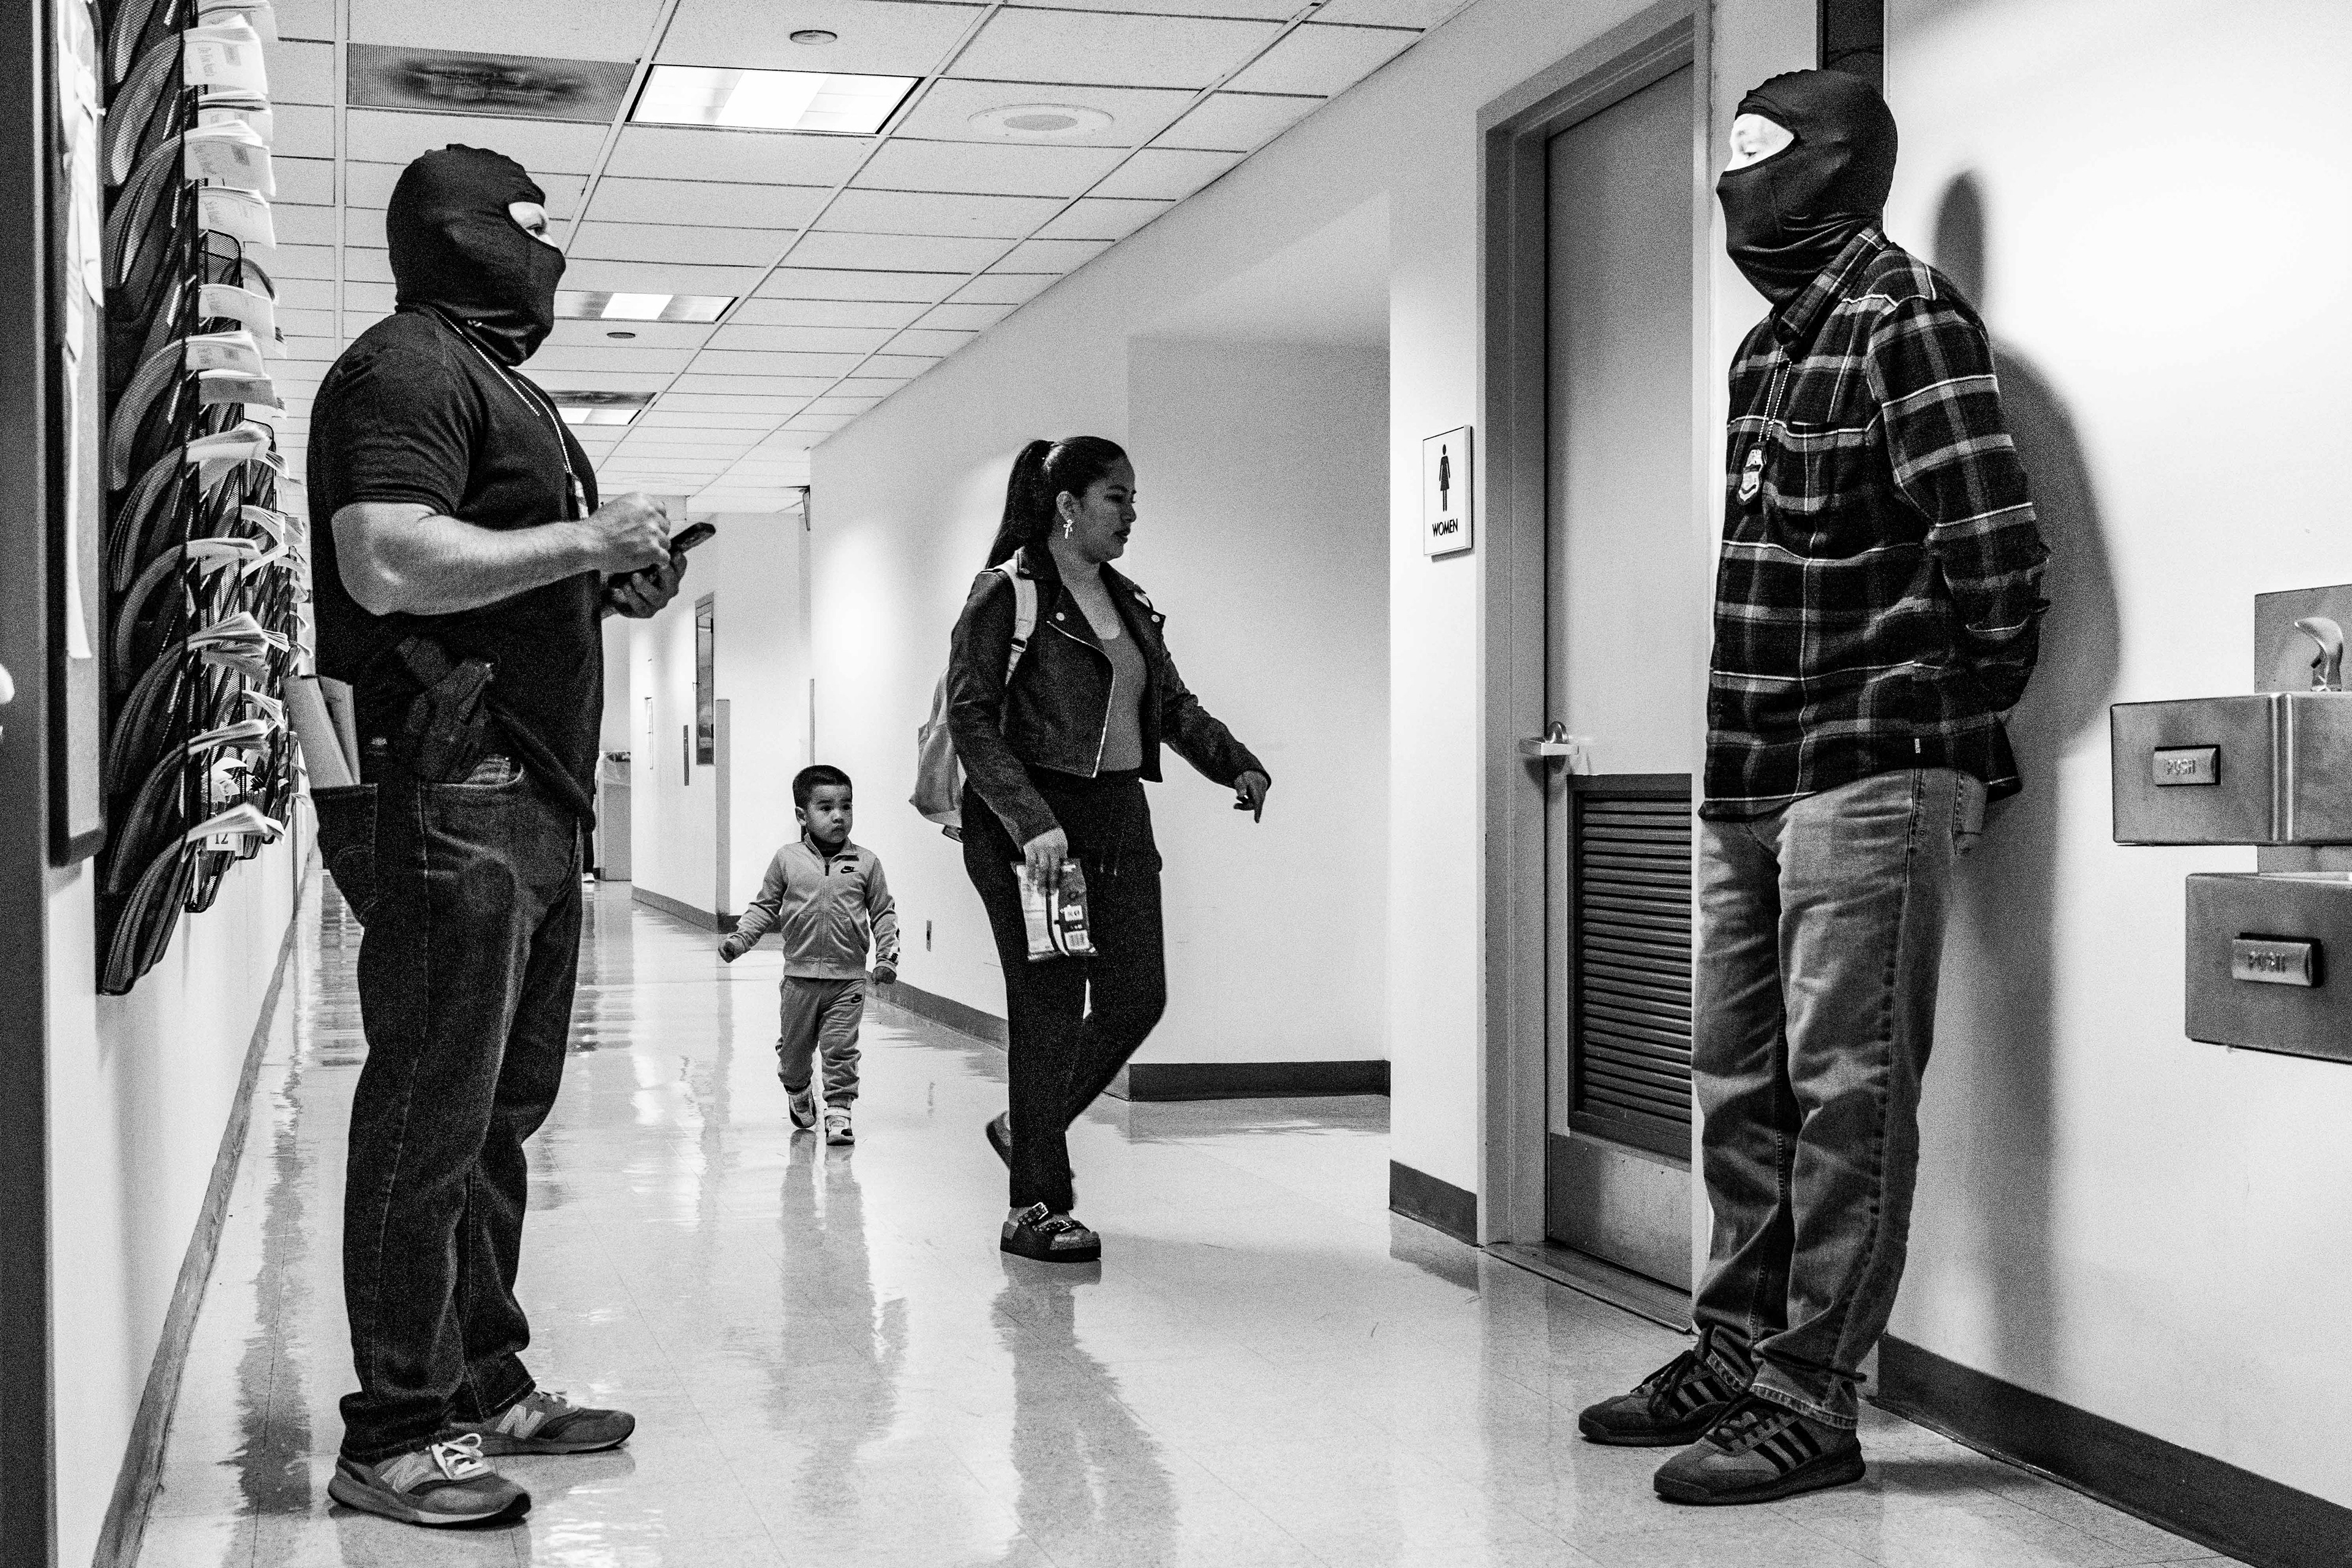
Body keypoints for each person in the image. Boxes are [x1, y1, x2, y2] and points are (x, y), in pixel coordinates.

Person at [1576, 72, 2049, 1505]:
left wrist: (1937, 718)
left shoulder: (1904, 319)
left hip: (1867, 763)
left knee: (1845, 1089)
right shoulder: (1762, 353)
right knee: (1738, 1080)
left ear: (1838, 167)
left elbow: (1996, 555)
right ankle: (1729, 1349)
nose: (1731, 186)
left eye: (1758, 156)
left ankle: (1810, 1397)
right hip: (1745, 765)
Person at [308, 145, 689, 1526]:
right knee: (430, 1111)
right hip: (446, 790)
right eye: (531, 226)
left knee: (499, 1115)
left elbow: (502, 568)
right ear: (463, 233)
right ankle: (393, 1432)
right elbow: (387, 557)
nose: (550, 252)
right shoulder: (403, 365)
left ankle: (481, 1380)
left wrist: (614, 575)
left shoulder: (497, 381)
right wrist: (587, 541)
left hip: (529, 798)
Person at [947, 437, 1271, 1264]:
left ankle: (1029, 1127)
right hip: (1036, 827)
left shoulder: (1128, 601)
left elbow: (1172, 705)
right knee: (1050, 1010)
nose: (1131, 513)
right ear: (1068, 505)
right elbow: (972, 720)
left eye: (1130, 499)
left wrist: (1234, 761)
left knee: (1136, 995)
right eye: (1116, 498)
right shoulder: (1007, 595)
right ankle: (1035, 1205)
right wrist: (1031, 822)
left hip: (1118, 817)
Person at [720, 764, 900, 1146]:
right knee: (794, 1055)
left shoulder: (866, 863)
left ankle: (839, 1112)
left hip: (847, 978)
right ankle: (799, 1091)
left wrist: (886, 958)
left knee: (840, 1047)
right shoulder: (787, 859)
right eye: (826, 807)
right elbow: (765, 906)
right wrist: (740, 940)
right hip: (800, 978)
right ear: (802, 815)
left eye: (846, 806)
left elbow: (884, 912)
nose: (839, 816)